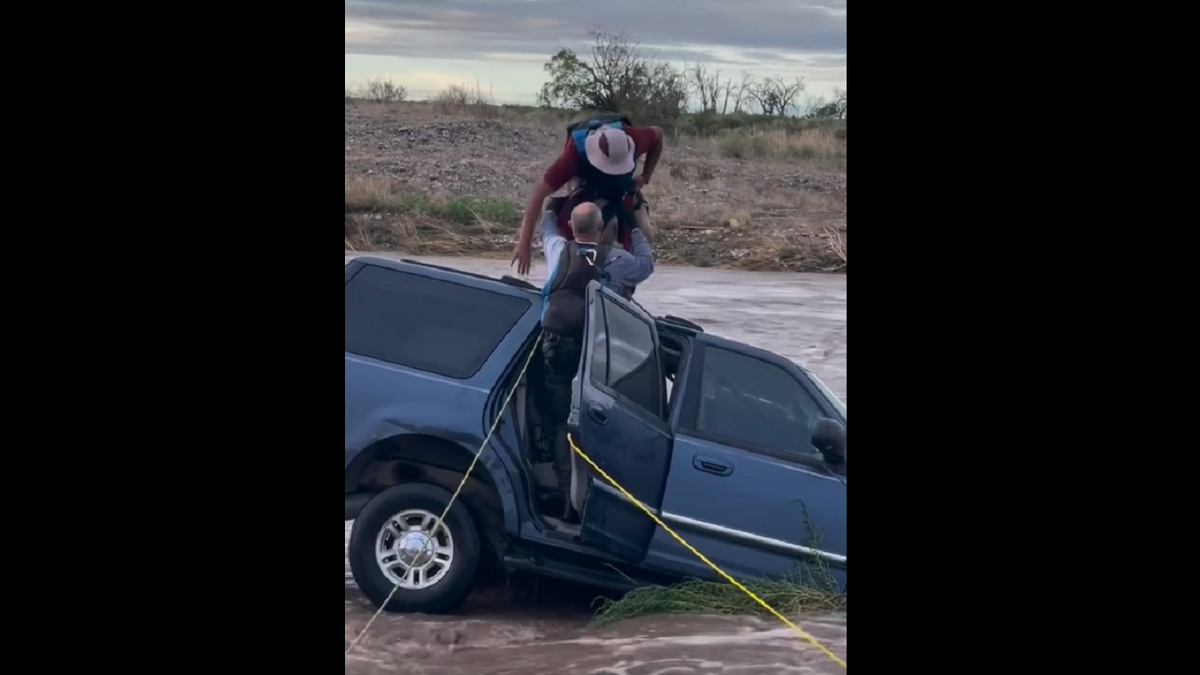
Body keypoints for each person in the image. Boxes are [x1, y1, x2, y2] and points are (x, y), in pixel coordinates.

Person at [537, 201, 655, 521]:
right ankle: (597, 500)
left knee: (563, 423)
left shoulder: (558, 249)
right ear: (601, 229)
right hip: (596, 355)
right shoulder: (616, 258)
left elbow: (546, 229)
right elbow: (646, 265)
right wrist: (632, 225)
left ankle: (565, 497)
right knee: (599, 422)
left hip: (556, 349)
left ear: (571, 228)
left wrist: (551, 209)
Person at [511, 117, 664, 276]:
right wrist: (524, 243)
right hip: (589, 189)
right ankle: (583, 274)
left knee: (646, 235)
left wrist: (646, 176)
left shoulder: (636, 138)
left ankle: (620, 283)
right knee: (594, 230)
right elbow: (538, 194)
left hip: (621, 190)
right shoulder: (573, 155)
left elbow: (658, 134)